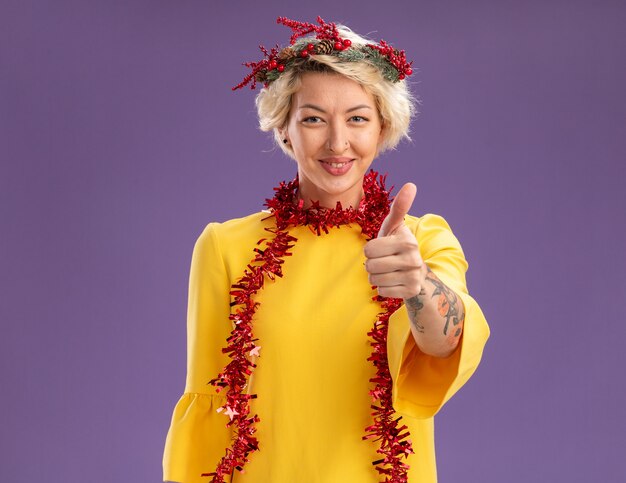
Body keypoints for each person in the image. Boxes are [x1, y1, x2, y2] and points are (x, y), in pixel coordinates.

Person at [163, 16, 490, 483]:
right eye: (313, 119)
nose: (338, 142)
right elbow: (210, 409)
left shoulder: (422, 240)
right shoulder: (224, 247)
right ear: (284, 130)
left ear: (382, 129)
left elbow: (446, 343)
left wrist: (416, 286)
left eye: (357, 118)